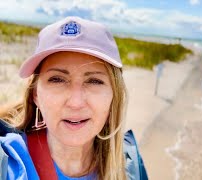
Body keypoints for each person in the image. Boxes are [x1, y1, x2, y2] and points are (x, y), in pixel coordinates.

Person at [0, 16, 148, 180]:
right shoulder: (7, 162)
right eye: (57, 79)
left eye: (94, 81)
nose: (75, 103)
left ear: (114, 95)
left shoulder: (130, 167)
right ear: (35, 94)